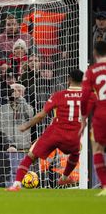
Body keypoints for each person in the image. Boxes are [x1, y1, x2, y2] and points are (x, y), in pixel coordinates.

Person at [7, 69, 84, 191]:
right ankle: (64, 177)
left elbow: (40, 115)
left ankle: (16, 184)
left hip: (54, 133)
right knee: (76, 152)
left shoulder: (59, 95)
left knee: (31, 156)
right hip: (73, 136)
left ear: (68, 79)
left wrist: (26, 126)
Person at [80, 41, 106, 196]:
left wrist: (84, 117)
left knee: (97, 148)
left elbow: (84, 97)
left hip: (101, 115)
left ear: (95, 54)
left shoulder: (92, 71)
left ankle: (105, 186)